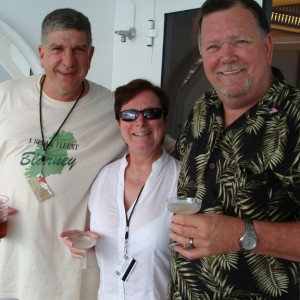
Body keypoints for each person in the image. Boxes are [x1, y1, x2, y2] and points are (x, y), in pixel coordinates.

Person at [0, 8, 175, 300]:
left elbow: (163, 145)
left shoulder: (114, 109)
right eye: (57, 49)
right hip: (12, 271)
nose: (68, 61)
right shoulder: (6, 97)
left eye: (78, 49)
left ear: (91, 55)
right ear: (42, 53)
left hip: (76, 279)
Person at [168, 0, 300, 299]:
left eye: (240, 41)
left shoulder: (295, 118)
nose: (226, 57)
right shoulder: (203, 108)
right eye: (213, 47)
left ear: (267, 46)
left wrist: (242, 234)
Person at [61, 79, 180, 299]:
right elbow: (116, 238)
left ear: (164, 119)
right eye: (129, 115)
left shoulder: (182, 180)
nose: (140, 122)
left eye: (151, 113)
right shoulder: (103, 177)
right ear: (118, 123)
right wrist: (86, 241)